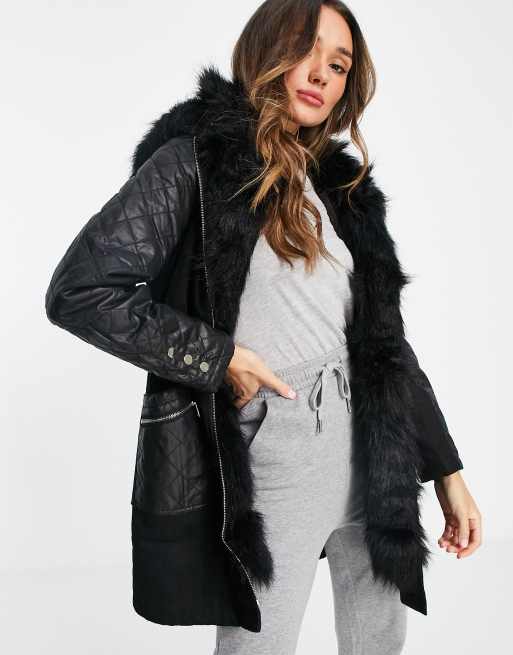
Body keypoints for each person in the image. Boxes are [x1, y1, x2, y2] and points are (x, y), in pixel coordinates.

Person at [45, 1, 482, 654]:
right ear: (267, 49)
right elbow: (80, 291)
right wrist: (218, 358)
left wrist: (447, 471)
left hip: (374, 450)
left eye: (339, 65)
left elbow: (383, 343)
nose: (321, 73)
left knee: (379, 641)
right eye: (307, 50)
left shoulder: (339, 189)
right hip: (277, 454)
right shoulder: (194, 162)